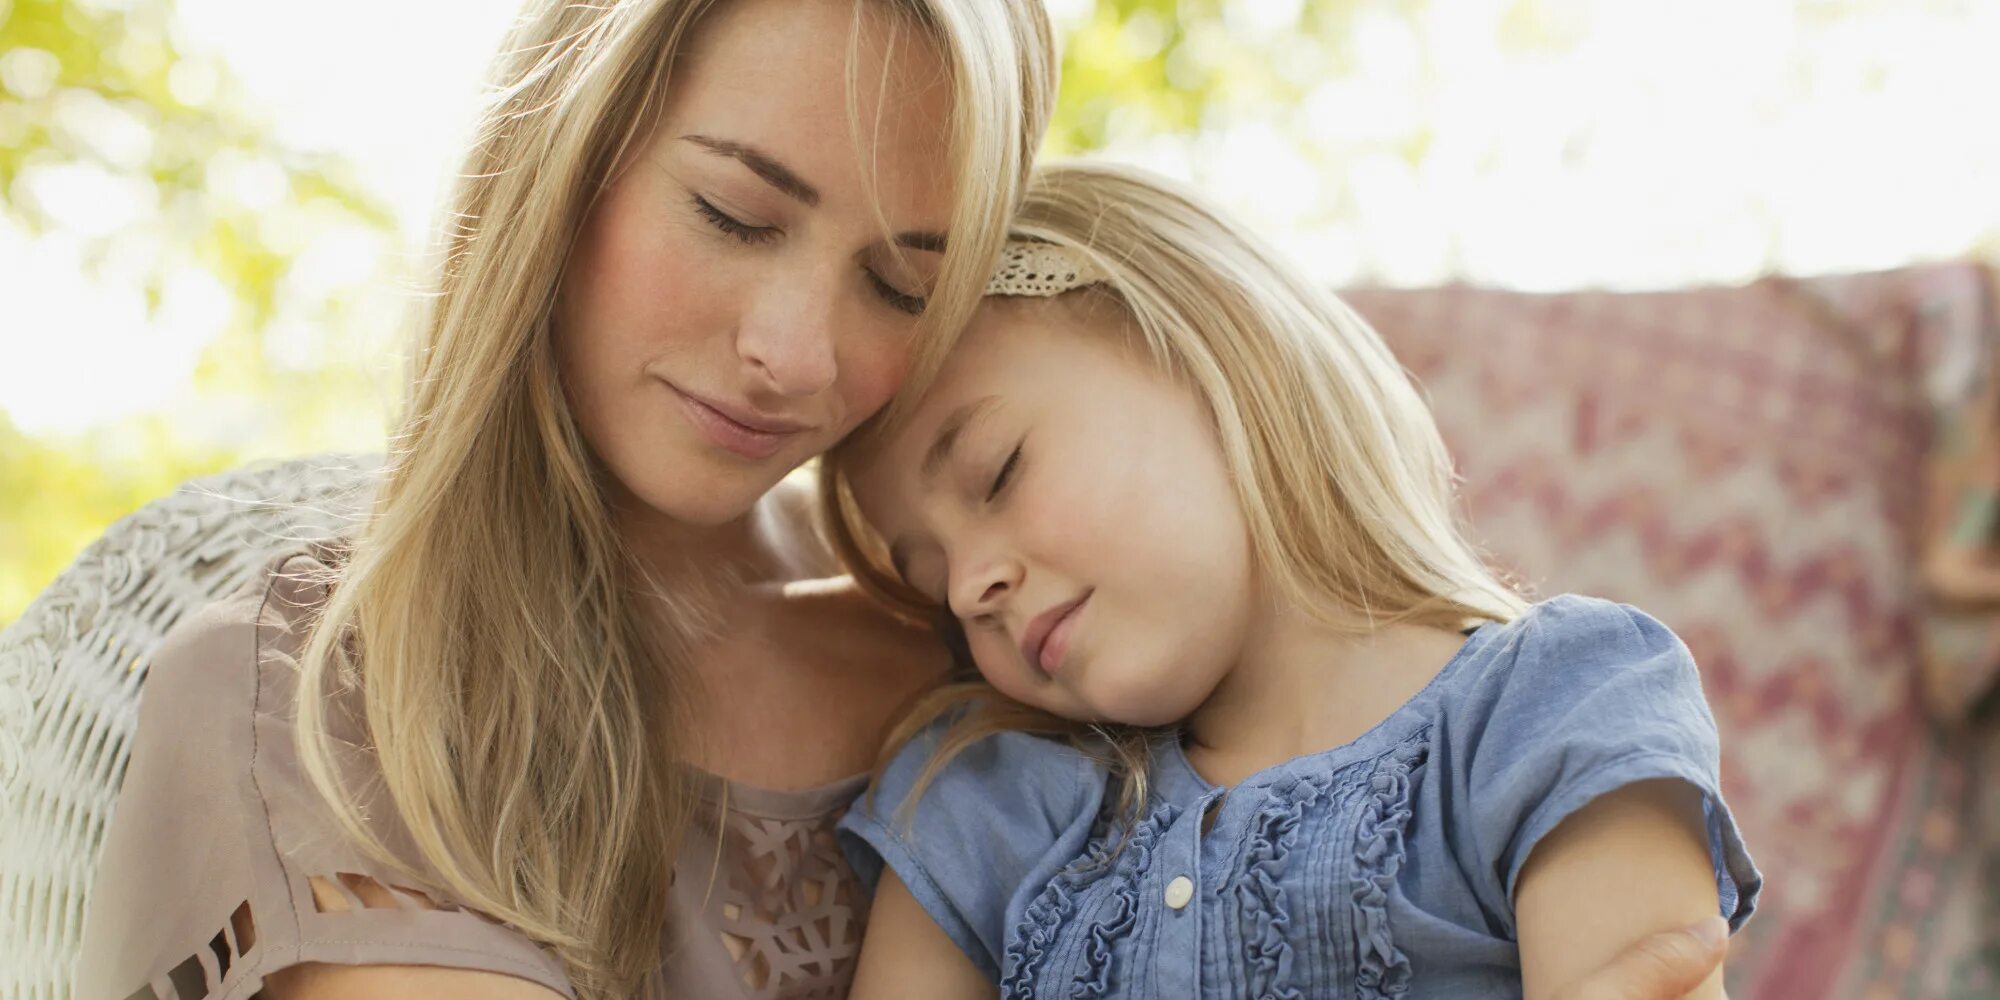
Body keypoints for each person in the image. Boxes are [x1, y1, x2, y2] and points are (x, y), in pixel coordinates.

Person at [75, 0, 1057, 997]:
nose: (795, 355)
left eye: (900, 286)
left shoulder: (1011, 641)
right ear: (562, 156)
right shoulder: (321, 696)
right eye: (732, 215)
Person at [820, 162, 1761, 998]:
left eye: (997, 470)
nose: (966, 592)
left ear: (1207, 346)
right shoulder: (981, 798)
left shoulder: (1557, 704)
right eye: (927, 572)